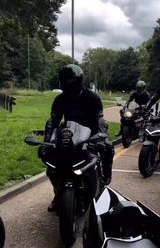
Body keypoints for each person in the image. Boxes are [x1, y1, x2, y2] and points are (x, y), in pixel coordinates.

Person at [39, 64, 114, 212]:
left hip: (89, 135)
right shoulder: (60, 99)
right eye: (66, 83)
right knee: (52, 166)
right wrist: (48, 141)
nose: (69, 86)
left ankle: (106, 177)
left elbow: (100, 119)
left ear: (80, 82)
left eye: (72, 83)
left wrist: (102, 135)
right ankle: (57, 193)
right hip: (68, 134)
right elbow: (53, 120)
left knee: (108, 146)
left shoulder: (92, 98)